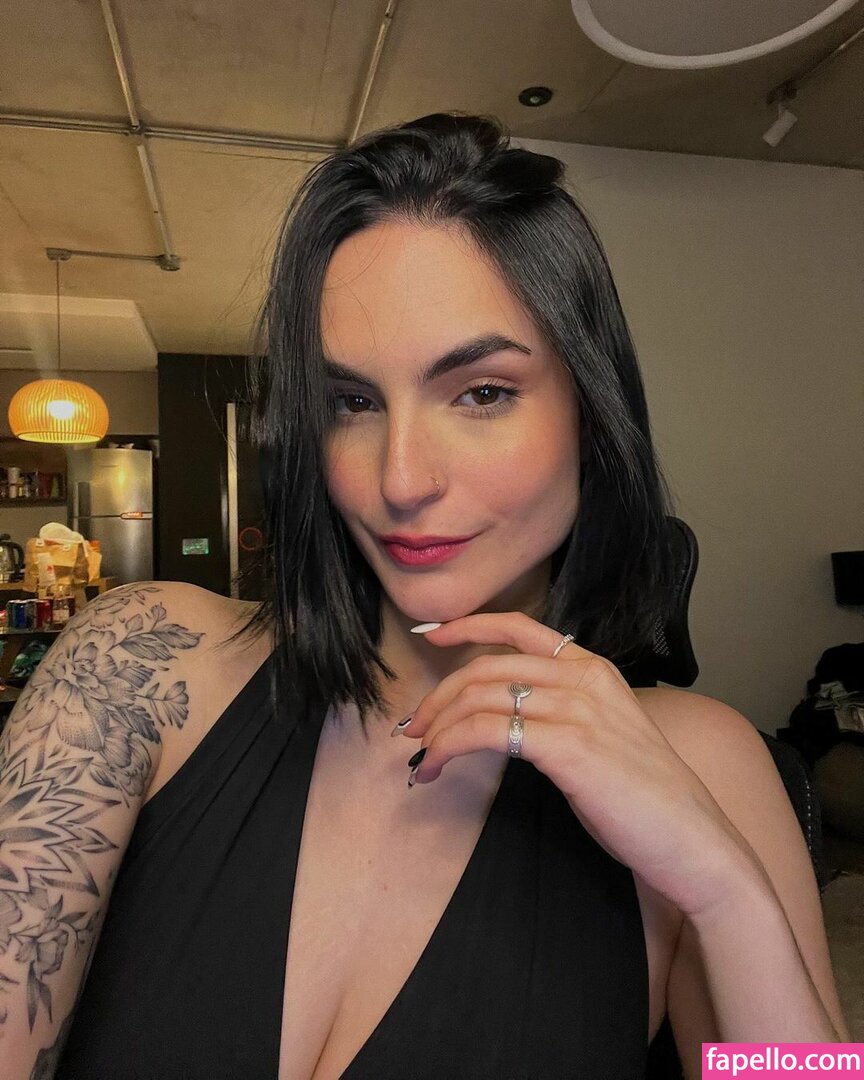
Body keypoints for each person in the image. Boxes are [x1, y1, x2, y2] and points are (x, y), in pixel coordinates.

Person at [0, 113, 848, 1080]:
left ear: (591, 410)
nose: (400, 479)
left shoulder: (704, 760)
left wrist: (727, 892)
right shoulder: (141, 662)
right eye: (352, 403)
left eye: (482, 392)